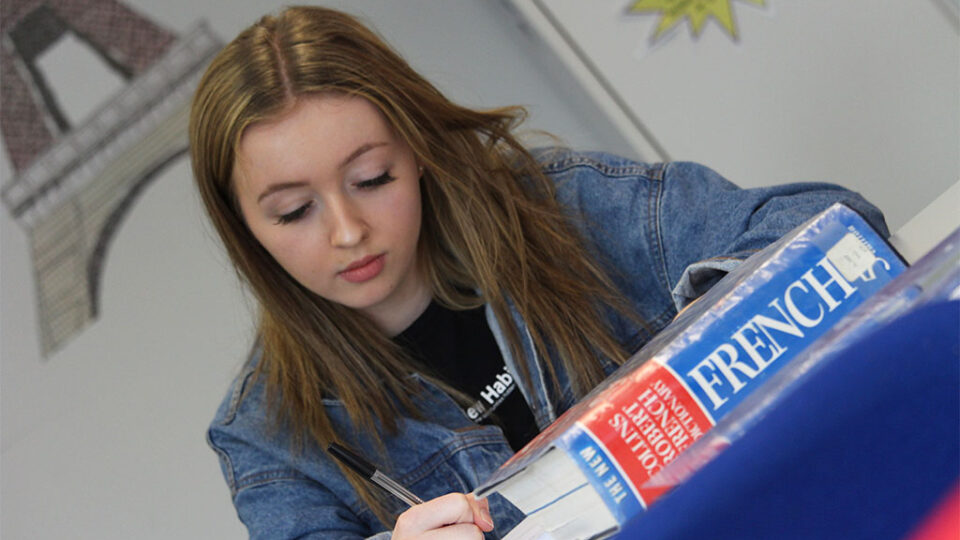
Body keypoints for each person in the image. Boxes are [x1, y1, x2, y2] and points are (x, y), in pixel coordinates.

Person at [190, 6, 888, 539]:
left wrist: (707, 341)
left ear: (419, 150)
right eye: (292, 211)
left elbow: (839, 226)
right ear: (243, 226)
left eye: (372, 177)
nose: (348, 231)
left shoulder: (566, 206)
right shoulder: (269, 434)